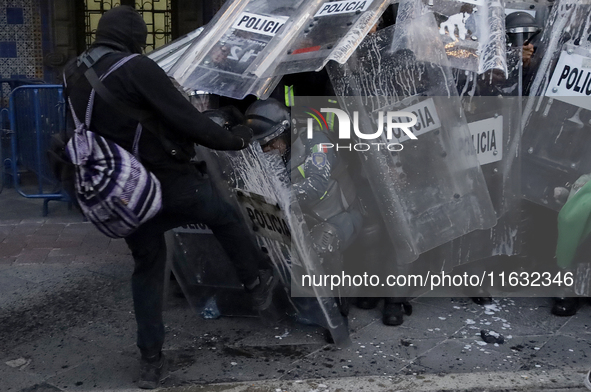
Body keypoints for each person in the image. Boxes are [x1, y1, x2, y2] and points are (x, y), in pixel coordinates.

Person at [63, 6, 276, 389]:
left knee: (146, 268)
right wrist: (235, 139)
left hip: (124, 193)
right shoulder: (137, 68)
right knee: (224, 215)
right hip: (168, 184)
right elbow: (187, 120)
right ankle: (255, 281)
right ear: (135, 37)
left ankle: (150, 361)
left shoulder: (74, 72)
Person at [244, 97, 363, 340]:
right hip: (300, 219)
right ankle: (290, 302)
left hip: (340, 215)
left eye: (269, 143)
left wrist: (279, 199)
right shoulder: (272, 150)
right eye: (261, 146)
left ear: (285, 132)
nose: (266, 150)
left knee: (322, 245)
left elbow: (316, 185)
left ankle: (338, 313)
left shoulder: (316, 141)